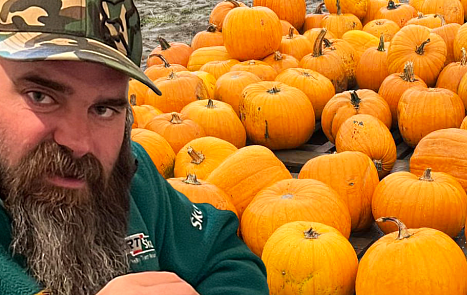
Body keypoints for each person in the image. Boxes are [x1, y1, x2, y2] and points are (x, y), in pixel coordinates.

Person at [0, 0, 270, 294]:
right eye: (40, 96)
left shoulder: (132, 180)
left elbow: (224, 257)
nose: (78, 143)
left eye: (103, 109)